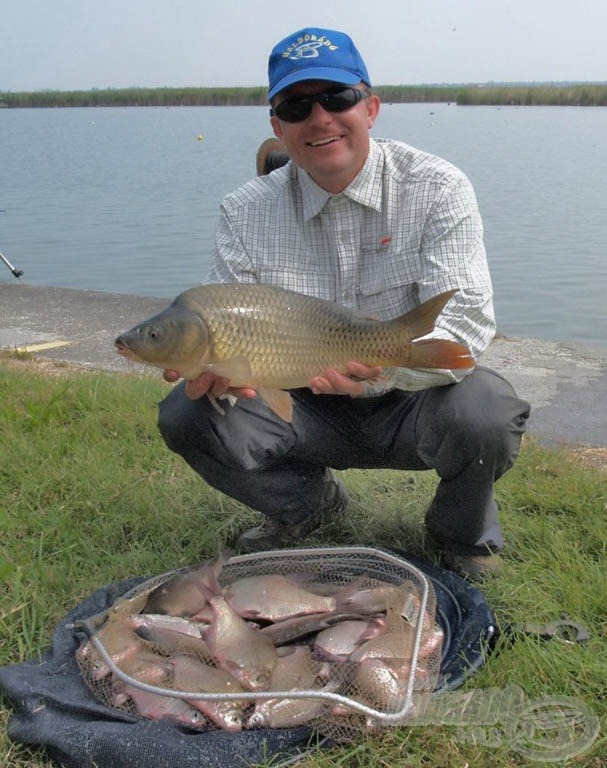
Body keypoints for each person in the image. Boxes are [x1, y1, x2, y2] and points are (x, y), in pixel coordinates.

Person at [158, 27, 530, 578]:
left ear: (372, 107)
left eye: (337, 98)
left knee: (486, 410)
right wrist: (222, 373)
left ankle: (459, 534)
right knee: (190, 413)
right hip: (302, 403)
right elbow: (227, 321)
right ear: (277, 126)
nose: (320, 118)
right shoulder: (243, 210)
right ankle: (307, 508)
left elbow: (466, 322)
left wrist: (380, 371)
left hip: (410, 398)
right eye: (296, 105)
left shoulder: (437, 187)